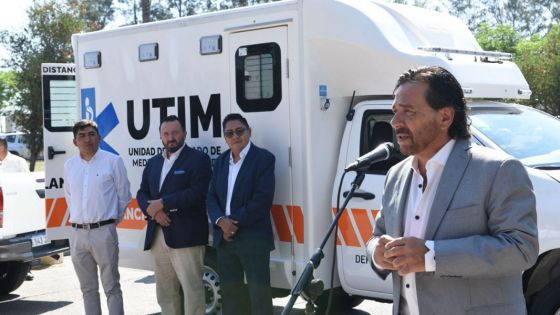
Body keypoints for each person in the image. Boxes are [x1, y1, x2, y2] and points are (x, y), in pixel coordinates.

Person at [366, 66, 539, 315]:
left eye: (409, 112)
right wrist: (378, 254)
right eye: (395, 112)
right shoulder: (396, 175)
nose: (395, 122)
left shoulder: (499, 170)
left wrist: (432, 255)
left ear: (445, 117)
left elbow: (520, 248)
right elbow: (377, 236)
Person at [137, 115, 211, 315]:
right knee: (165, 292)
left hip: (187, 236)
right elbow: (142, 193)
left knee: (192, 290)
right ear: (161, 137)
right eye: (166, 133)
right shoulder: (153, 163)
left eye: (175, 132)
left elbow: (198, 192)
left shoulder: (199, 159)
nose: (171, 137)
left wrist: (163, 203)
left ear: (185, 134)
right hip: (157, 235)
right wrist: (154, 212)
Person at [207, 113, 276, 315]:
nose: (235, 136)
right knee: (231, 298)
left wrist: (232, 223)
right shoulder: (220, 162)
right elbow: (211, 197)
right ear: (225, 137)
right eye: (229, 133)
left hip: (252, 239)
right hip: (225, 241)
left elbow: (262, 200)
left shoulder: (263, 159)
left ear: (249, 132)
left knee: (260, 299)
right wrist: (221, 222)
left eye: (240, 131)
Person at [64, 120, 131, 315]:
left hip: (104, 232)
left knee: (111, 286)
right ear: (75, 141)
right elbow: (70, 197)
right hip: (78, 234)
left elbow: (124, 196)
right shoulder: (69, 166)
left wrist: (109, 222)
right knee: (87, 289)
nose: (87, 139)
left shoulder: (113, 161)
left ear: (99, 138)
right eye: (82, 136)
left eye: (92, 134)